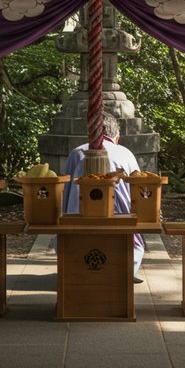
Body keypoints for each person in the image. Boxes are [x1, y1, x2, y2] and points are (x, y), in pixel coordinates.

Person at [62, 112, 146, 283]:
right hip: (121, 227)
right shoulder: (126, 153)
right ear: (117, 137)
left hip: (77, 225)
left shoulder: (77, 153)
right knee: (133, 246)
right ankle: (122, 269)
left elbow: (65, 191)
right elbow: (141, 191)